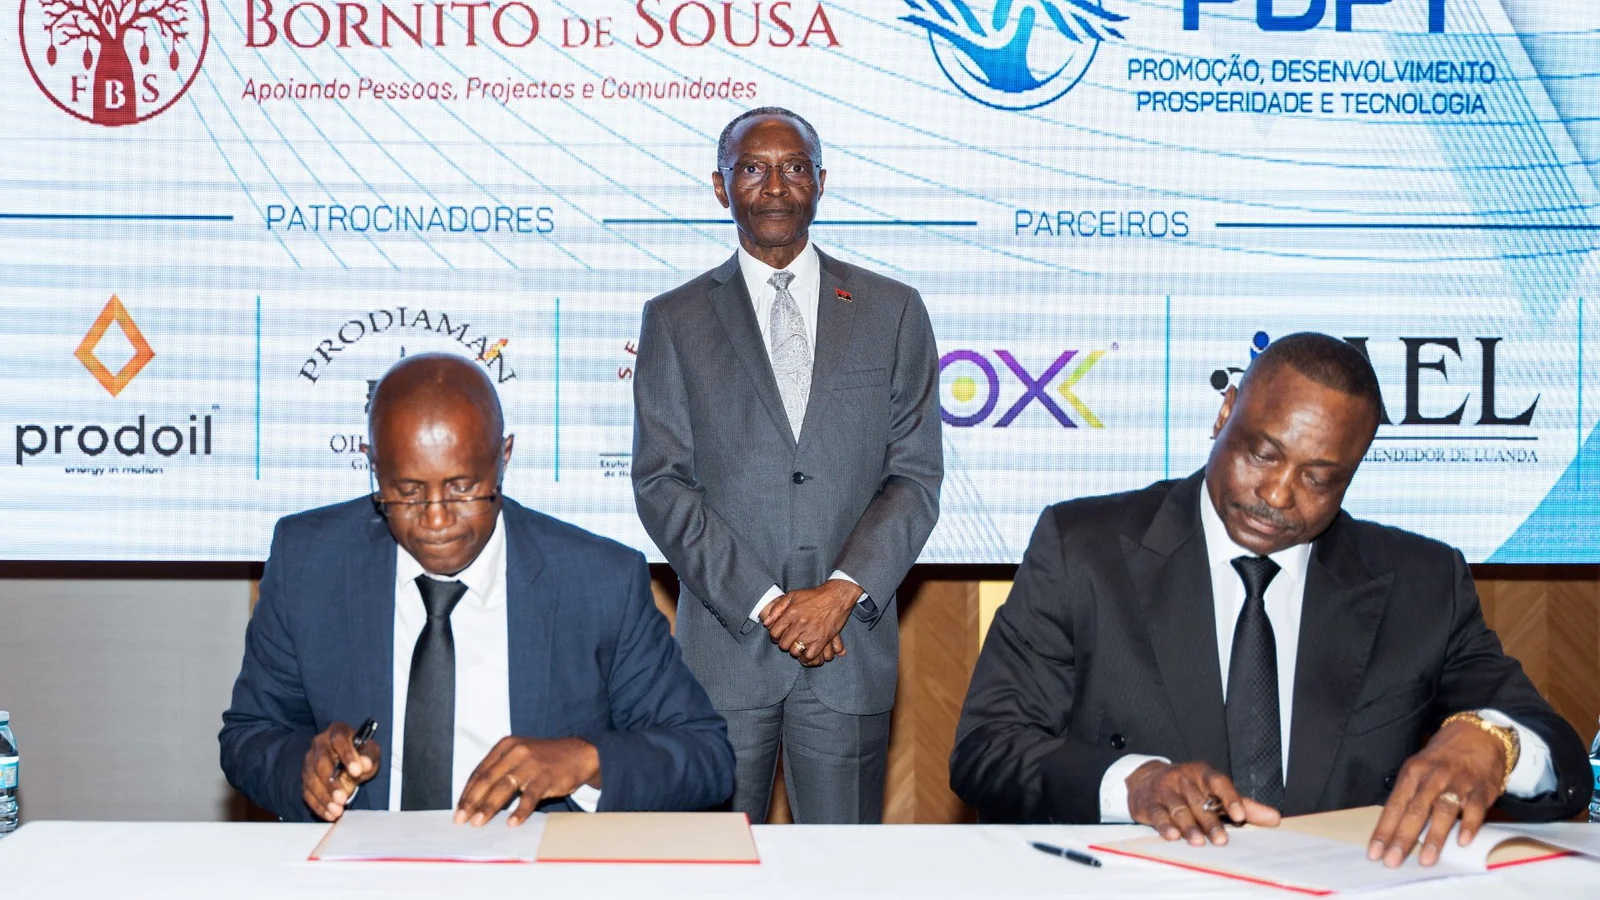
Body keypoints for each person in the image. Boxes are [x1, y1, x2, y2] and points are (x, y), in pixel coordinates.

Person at [950, 333, 1590, 866]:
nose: (1279, 495)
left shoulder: (1421, 583)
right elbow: (988, 749)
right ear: (1224, 413)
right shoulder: (1084, 550)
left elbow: (1563, 762)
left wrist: (1495, 743)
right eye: (1262, 454)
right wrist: (1134, 784)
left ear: (1355, 470)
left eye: (1318, 478)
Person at [220, 353, 733, 824]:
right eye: (407, 492)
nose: (436, 518)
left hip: (533, 869)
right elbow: (250, 735)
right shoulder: (310, 561)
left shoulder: (598, 581)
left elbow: (706, 757)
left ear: (503, 458)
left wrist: (585, 761)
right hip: (363, 870)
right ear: (373, 467)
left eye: (463, 488)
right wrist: (305, 767)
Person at [632, 107, 942, 823]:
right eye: (753, 168)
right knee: (714, 866)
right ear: (720, 187)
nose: (775, 185)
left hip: (847, 650)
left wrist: (839, 593)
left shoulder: (893, 310)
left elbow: (914, 477)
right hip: (724, 653)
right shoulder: (674, 319)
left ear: (821, 182)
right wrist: (767, 604)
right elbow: (662, 482)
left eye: (795, 167)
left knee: (842, 868)